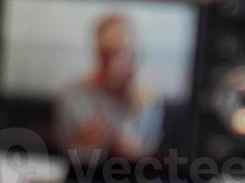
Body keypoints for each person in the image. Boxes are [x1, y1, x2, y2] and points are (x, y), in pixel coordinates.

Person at [51, 12, 162, 158]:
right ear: (98, 54)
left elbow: (150, 153)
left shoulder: (149, 99)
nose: (114, 63)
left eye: (123, 52)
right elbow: (63, 152)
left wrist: (132, 148)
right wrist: (87, 141)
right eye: (107, 54)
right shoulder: (73, 95)